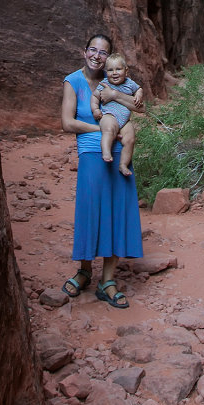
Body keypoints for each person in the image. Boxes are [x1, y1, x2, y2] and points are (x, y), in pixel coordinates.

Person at [60, 31, 144, 308]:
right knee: (90, 210)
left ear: (110, 58)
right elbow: (67, 123)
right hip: (91, 152)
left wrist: (115, 95)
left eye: (103, 52)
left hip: (121, 152)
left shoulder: (117, 81)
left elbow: (139, 108)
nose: (97, 55)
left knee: (116, 211)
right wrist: (105, 127)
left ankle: (107, 280)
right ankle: (84, 270)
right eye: (93, 50)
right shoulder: (73, 82)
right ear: (84, 52)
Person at [90, 52, 141, 177]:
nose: (114, 73)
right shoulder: (104, 83)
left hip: (125, 121)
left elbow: (139, 89)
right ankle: (106, 152)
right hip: (109, 115)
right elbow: (94, 97)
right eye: (110, 70)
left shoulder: (130, 83)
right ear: (106, 72)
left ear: (126, 70)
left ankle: (123, 164)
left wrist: (139, 94)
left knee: (130, 139)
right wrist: (95, 109)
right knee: (108, 130)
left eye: (118, 69)